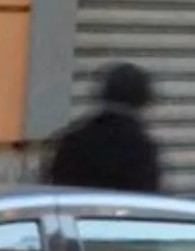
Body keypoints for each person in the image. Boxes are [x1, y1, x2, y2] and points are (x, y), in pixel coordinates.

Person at [45, 62, 162, 193]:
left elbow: (55, 187)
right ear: (143, 101)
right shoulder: (140, 147)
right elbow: (146, 198)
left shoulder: (73, 139)